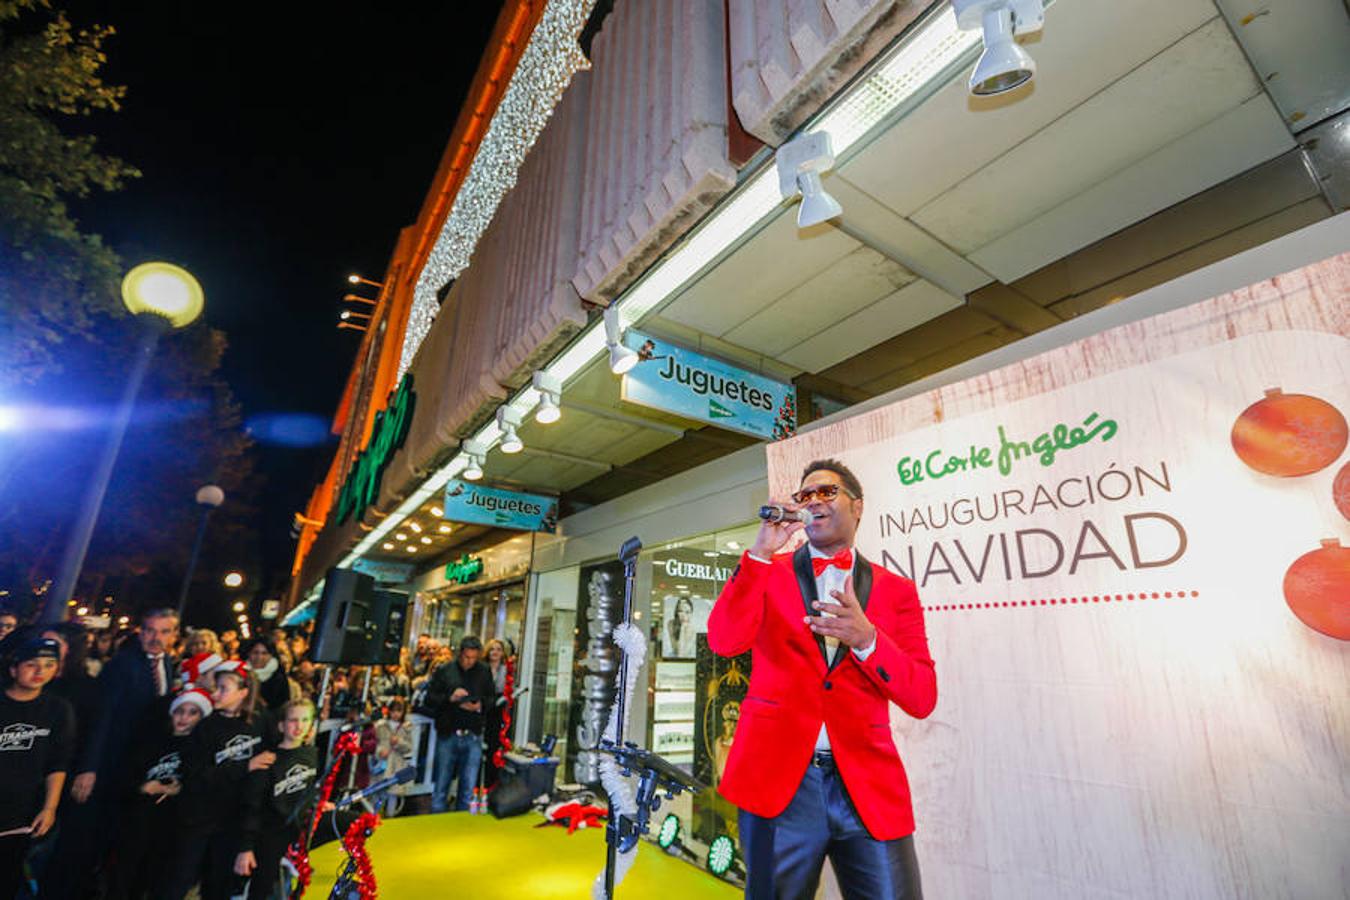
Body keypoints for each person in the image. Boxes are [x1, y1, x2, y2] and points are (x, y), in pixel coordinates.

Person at [707, 459, 936, 899]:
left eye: (827, 492)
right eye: (805, 495)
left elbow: (922, 696)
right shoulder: (766, 571)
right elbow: (723, 640)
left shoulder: (897, 590)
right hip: (780, 787)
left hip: (867, 788)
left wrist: (868, 640)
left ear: (858, 506)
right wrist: (759, 553)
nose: (814, 501)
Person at [45, 608, 179, 900]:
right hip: (105, 764)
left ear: (173, 635)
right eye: (149, 630)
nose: (155, 638)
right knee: (79, 841)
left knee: (103, 838)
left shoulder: (166, 663)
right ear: (140, 632)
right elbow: (102, 718)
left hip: (131, 768)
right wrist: (89, 768)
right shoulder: (122, 664)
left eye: (163, 632)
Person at [161, 659, 271, 900]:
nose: (216, 693)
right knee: (179, 879)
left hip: (232, 821)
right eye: (216, 687)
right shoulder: (206, 726)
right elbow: (197, 776)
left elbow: (262, 775)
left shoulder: (260, 724)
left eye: (223, 688)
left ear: (243, 693)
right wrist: (244, 766)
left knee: (219, 885)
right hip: (198, 818)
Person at [109, 687, 212, 900]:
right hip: (138, 822)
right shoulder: (151, 741)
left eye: (192, 713)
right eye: (180, 711)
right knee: (125, 878)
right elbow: (124, 777)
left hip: (171, 829)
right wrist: (144, 787)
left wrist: (178, 789)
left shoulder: (200, 749)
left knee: (156, 879)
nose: (184, 718)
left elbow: (200, 786)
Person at [0, 637, 74, 900]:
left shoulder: (58, 710)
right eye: (32, 664)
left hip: (22, 815)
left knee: (7, 881)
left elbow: (58, 762)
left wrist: (49, 807)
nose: (40, 671)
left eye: (48, 664)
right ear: (13, 668)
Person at [235, 699, 327, 900]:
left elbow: (308, 789)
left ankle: (296, 871)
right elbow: (252, 807)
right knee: (262, 887)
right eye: (293, 720)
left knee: (356, 821)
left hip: (300, 826)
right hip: (270, 829)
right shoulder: (269, 760)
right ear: (281, 725)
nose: (299, 726)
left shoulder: (311, 753)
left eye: (305, 720)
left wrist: (318, 803)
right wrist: (246, 847)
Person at [426, 636, 492, 813]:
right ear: (460, 654)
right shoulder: (445, 670)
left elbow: (491, 698)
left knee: (467, 787)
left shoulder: (484, 671)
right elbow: (429, 698)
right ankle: (436, 823)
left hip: (473, 734)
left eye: (473, 658)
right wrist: (451, 697)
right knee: (441, 784)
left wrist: (480, 705)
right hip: (448, 732)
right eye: (466, 657)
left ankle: (462, 825)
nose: (469, 661)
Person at [373, 698, 414, 814]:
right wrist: (379, 752)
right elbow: (375, 743)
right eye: (393, 711)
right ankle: (374, 817)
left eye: (399, 711)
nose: (396, 714)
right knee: (378, 792)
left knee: (393, 794)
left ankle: (390, 817)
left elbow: (409, 748)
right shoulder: (380, 726)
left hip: (397, 765)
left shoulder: (406, 727)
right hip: (382, 763)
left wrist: (399, 742)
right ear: (388, 711)